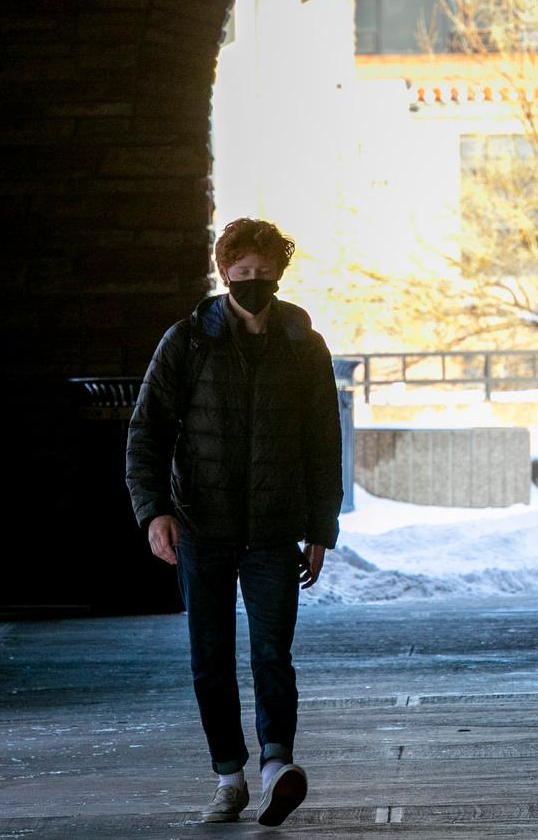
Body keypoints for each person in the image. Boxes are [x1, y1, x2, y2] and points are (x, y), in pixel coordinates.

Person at [126, 218, 344, 827]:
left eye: (263, 272)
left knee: (274, 652)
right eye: (242, 273)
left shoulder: (304, 345)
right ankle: (230, 777)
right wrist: (154, 512)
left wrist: (321, 528)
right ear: (225, 275)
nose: (253, 282)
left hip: (274, 530)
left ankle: (278, 765)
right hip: (201, 526)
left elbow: (323, 443)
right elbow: (147, 433)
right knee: (210, 658)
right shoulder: (187, 342)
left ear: (279, 273)